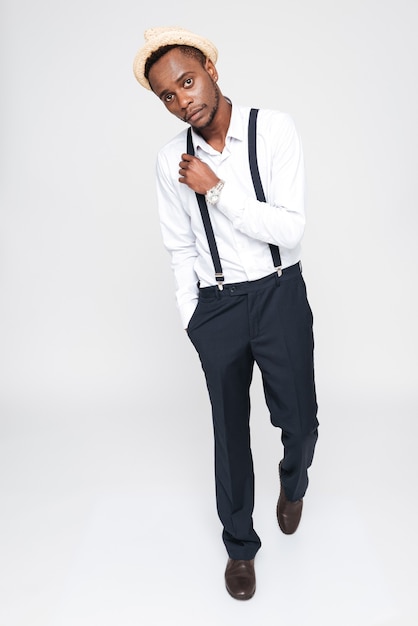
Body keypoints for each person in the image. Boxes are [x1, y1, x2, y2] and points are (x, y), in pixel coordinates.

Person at [133, 26, 319, 601]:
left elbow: (290, 228)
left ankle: (293, 481)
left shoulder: (273, 129)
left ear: (210, 68)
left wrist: (217, 190)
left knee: (301, 421)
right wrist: (194, 316)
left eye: (187, 81)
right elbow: (179, 247)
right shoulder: (171, 161)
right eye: (167, 95)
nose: (182, 99)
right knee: (228, 434)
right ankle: (240, 546)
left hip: (278, 292)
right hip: (217, 307)